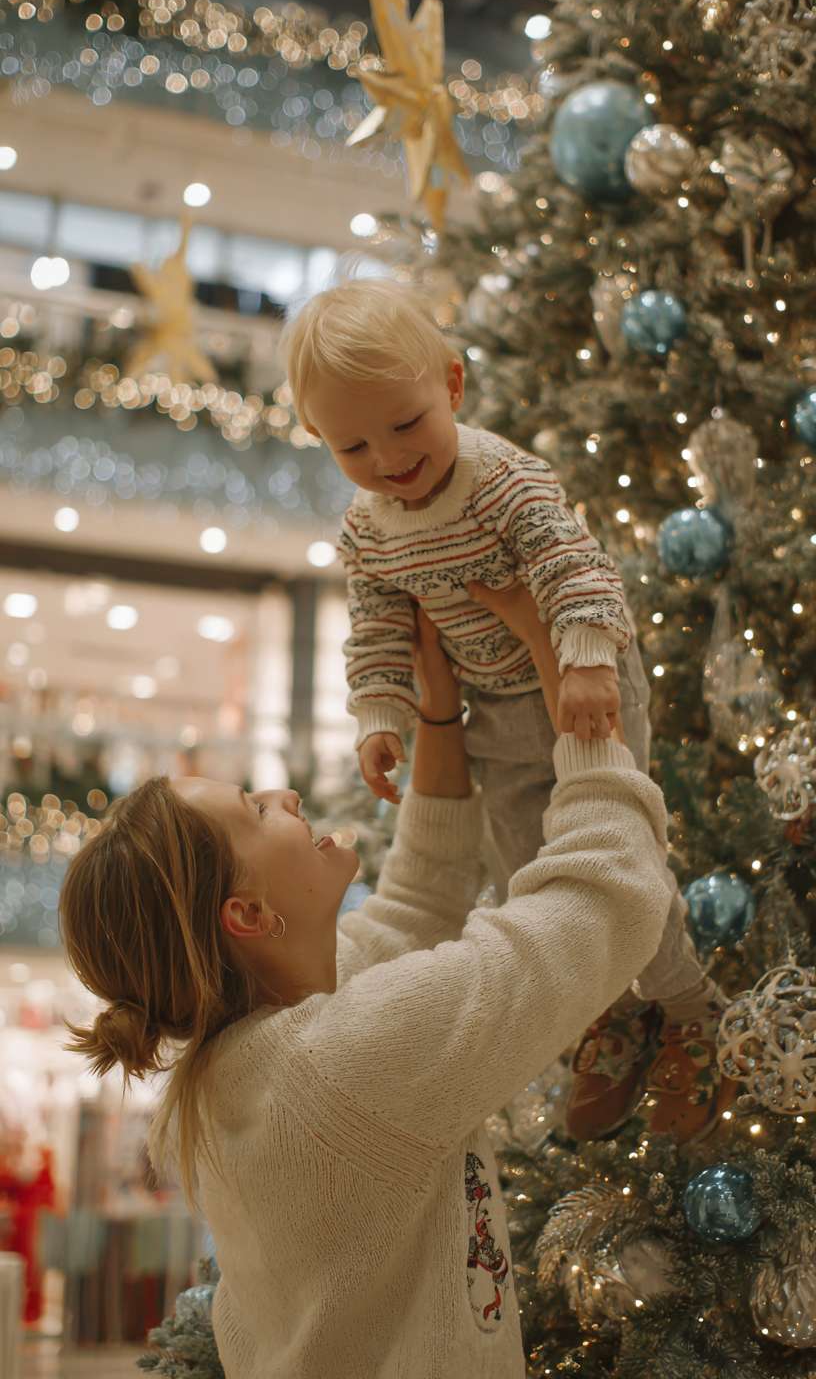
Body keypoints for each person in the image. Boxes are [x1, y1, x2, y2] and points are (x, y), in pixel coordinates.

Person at [61, 582, 675, 1379]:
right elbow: (603, 905)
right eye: (256, 810)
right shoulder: (340, 1061)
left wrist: (438, 709)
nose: (285, 795)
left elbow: (416, 900)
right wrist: (581, 708)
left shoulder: (239, 1064)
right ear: (246, 914)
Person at [280, 277, 729, 1144]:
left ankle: (688, 1005)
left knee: (613, 851)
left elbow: (575, 571)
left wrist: (587, 663)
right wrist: (380, 714)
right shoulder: (369, 529)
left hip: (579, 674)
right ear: (318, 438)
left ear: (451, 386)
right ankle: (613, 1007)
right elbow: (377, 626)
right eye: (354, 446)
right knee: (533, 871)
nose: (389, 459)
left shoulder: (502, 482)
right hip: (488, 710)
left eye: (406, 424)